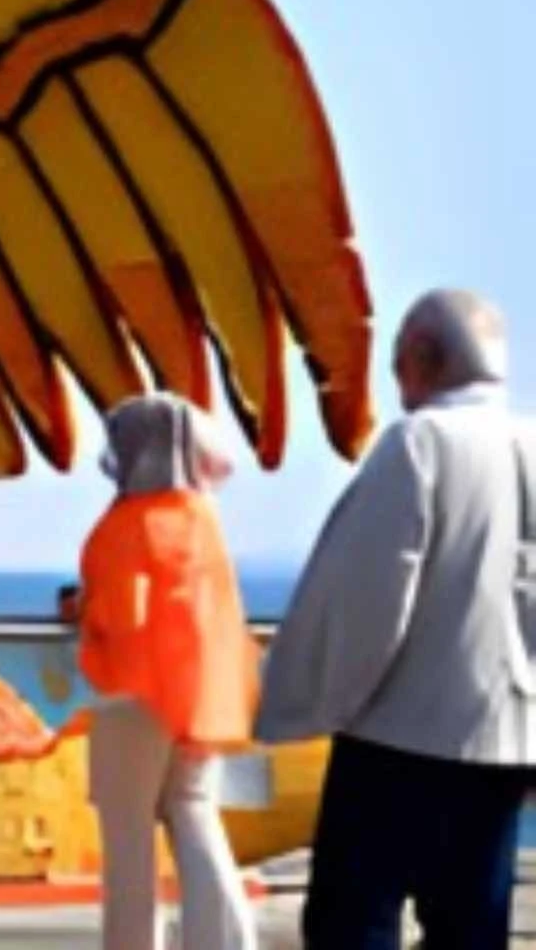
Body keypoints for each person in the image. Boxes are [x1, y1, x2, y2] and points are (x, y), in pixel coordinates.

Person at [258, 289, 536, 949]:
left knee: (353, 920)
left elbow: (372, 596)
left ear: (421, 357)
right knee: (471, 926)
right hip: (506, 735)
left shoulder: (421, 443)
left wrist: (322, 701)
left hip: (400, 734)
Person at [76, 395, 258, 950]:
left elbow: (121, 615)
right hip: (198, 694)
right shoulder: (200, 516)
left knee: (128, 838)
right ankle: (226, 939)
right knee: (195, 815)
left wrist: (84, 610)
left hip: (131, 697)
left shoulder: (129, 523)